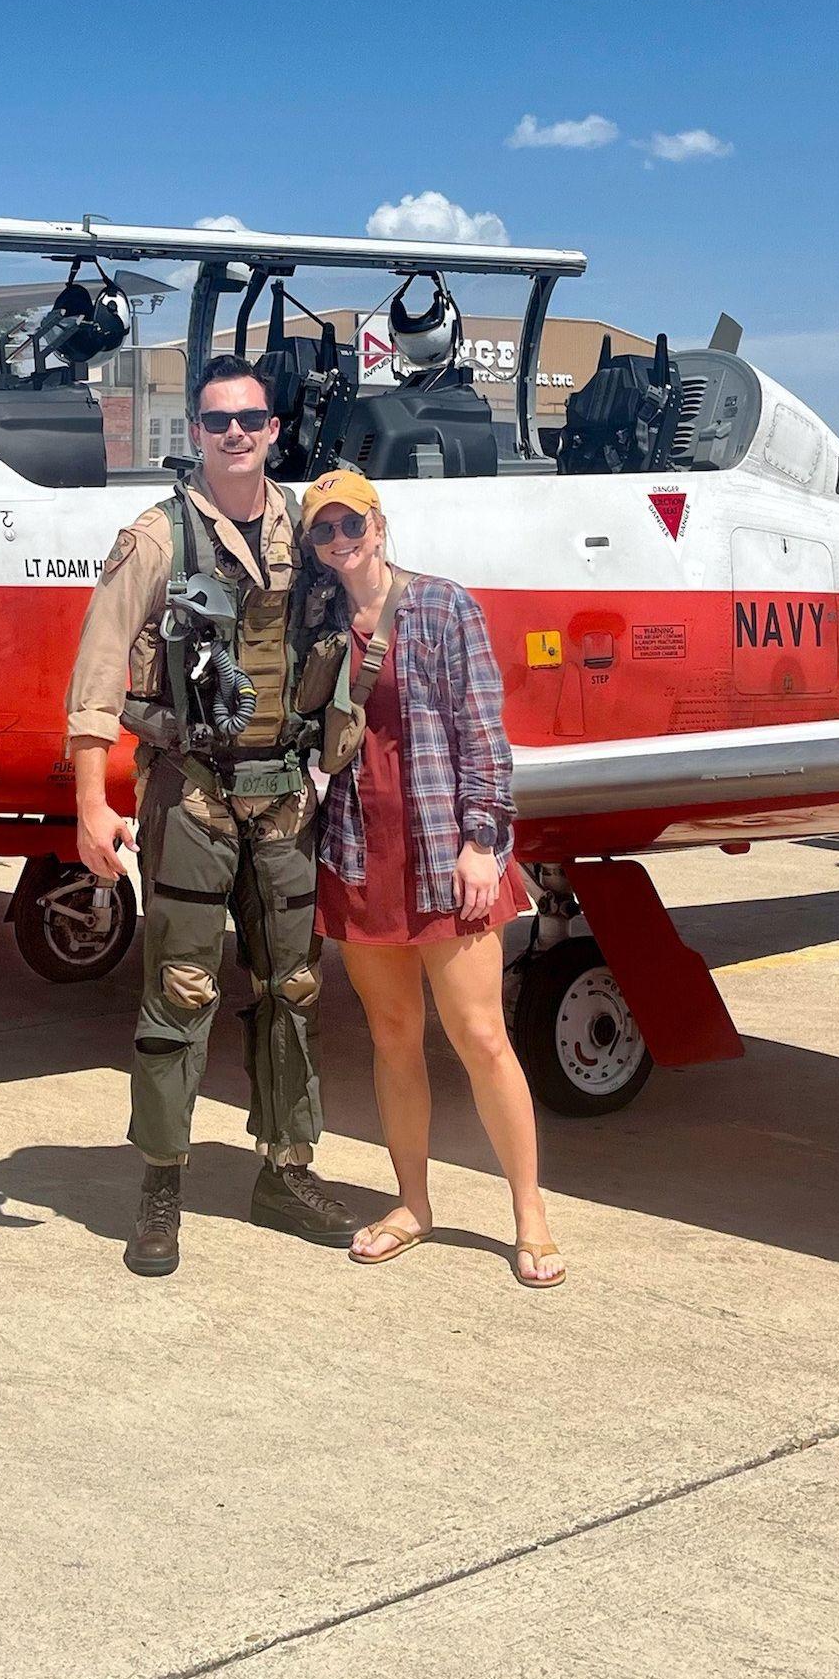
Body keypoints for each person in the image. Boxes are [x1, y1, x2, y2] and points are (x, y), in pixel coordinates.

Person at [65, 357, 365, 1278]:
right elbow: (98, 674)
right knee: (180, 995)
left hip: (283, 803)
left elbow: (368, 611)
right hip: (190, 795)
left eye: (251, 419)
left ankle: (285, 1169)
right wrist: (90, 804)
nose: (235, 434)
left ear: (275, 429)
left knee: (295, 992)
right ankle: (161, 1185)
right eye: (216, 420)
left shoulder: (312, 532)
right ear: (193, 432)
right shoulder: (155, 539)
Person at [298, 468, 561, 1287]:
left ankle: (531, 1215)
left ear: (379, 524)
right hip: (356, 850)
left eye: (352, 523)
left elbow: (485, 734)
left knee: (482, 1037)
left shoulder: (444, 607)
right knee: (392, 1040)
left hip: (445, 850)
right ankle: (413, 1203)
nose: (341, 540)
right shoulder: (318, 622)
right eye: (324, 530)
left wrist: (484, 841)